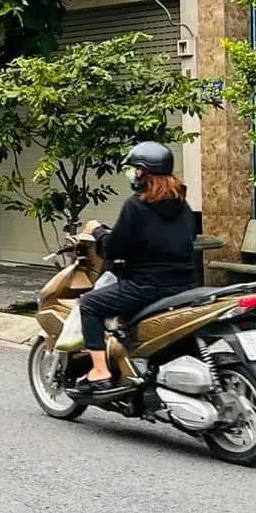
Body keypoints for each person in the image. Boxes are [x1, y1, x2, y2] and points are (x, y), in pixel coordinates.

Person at [74, 142, 197, 391]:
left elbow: (114, 249)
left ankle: (99, 371)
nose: (132, 174)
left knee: (89, 303)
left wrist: (97, 231)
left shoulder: (136, 206)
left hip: (146, 286)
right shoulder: (183, 207)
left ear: (143, 173)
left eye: (134, 170)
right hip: (185, 285)